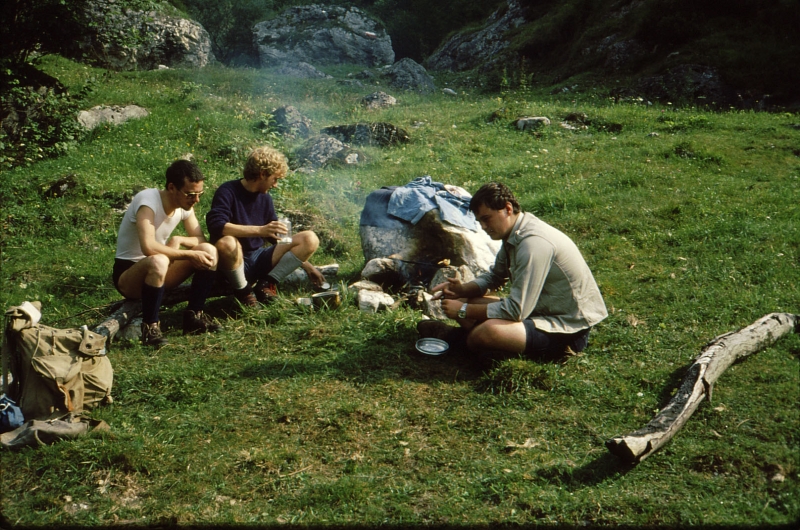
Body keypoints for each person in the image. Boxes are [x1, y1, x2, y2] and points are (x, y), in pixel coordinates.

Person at [419, 182, 608, 364]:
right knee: (467, 303)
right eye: (479, 221)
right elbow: (495, 276)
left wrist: (462, 311)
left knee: (485, 331)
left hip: (566, 329)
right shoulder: (516, 232)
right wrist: (461, 291)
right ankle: (490, 348)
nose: (483, 227)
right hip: (539, 312)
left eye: (486, 219)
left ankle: (459, 340)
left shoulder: (533, 243)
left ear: (507, 209)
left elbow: (516, 310)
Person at [113, 159, 221, 348]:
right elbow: (148, 247)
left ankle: (194, 316)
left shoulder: (185, 206)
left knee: (209, 251)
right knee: (159, 260)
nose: (196, 200)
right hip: (129, 275)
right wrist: (187, 255)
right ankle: (150, 327)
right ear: (172, 187)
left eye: (199, 194)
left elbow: (200, 240)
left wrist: (180, 240)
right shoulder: (147, 201)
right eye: (190, 194)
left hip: (160, 270)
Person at [206, 146, 326, 307]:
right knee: (227, 242)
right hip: (231, 262)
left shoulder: (265, 198)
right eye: (274, 179)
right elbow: (216, 226)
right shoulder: (228, 191)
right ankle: (244, 292)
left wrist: (308, 266)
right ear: (263, 174)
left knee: (309, 238)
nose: (275, 185)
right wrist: (260, 230)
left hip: (258, 258)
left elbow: (278, 239)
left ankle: (266, 285)